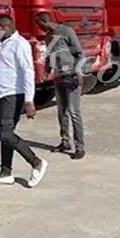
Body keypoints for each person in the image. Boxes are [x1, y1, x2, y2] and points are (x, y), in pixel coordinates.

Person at [0, 14, 48, 188]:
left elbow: (28, 72)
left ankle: (36, 162)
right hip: (0, 93)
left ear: (5, 28)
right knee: (3, 134)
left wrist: (29, 100)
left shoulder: (20, 44)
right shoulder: (2, 43)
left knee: (6, 133)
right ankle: (5, 173)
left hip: (13, 95)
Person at [35, 12, 86, 160]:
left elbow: (79, 53)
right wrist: (46, 72)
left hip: (72, 76)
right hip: (59, 77)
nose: (39, 27)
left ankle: (80, 146)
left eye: (39, 24)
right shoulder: (49, 36)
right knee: (61, 110)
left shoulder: (66, 31)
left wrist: (79, 73)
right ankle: (65, 141)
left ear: (45, 21)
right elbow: (50, 56)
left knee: (73, 112)